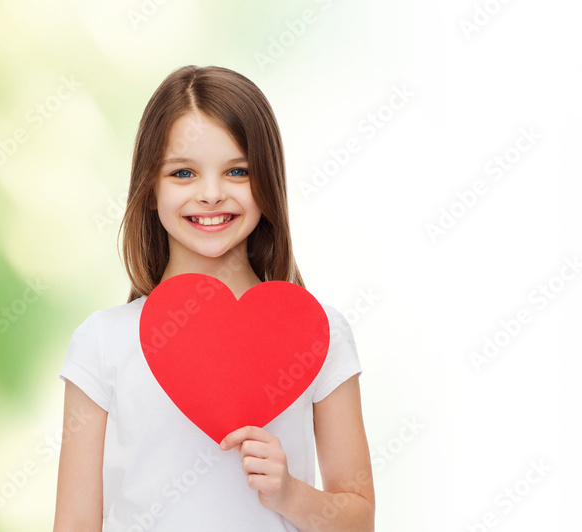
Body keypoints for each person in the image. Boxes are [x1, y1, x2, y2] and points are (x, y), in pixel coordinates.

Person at [52, 65, 374, 531]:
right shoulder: (102, 342)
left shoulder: (319, 332)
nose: (210, 194)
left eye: (237, 171)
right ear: (150, 188)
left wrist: (289, 494)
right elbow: (75, 524)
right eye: (183, 172)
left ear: (267, 183)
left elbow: (359, 518)